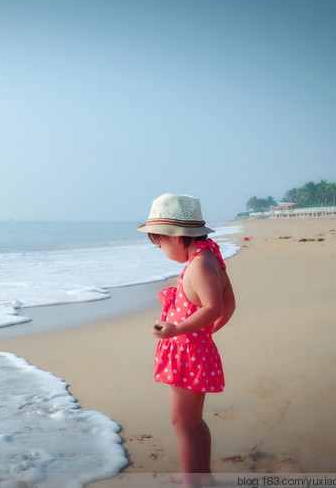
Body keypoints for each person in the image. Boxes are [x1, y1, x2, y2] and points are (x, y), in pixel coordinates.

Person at [138, 194, 236, 488]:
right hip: (196, 351)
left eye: (161, 245)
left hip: (187, 356)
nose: (163, 251)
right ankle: (201, 477)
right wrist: (206, 334)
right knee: (194, 422)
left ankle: (193, 482)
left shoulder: (199, 266)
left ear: (178, 238)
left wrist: (176, 331)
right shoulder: (210, 258)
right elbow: (227, 304)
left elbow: (213, 308)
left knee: (181, 424)